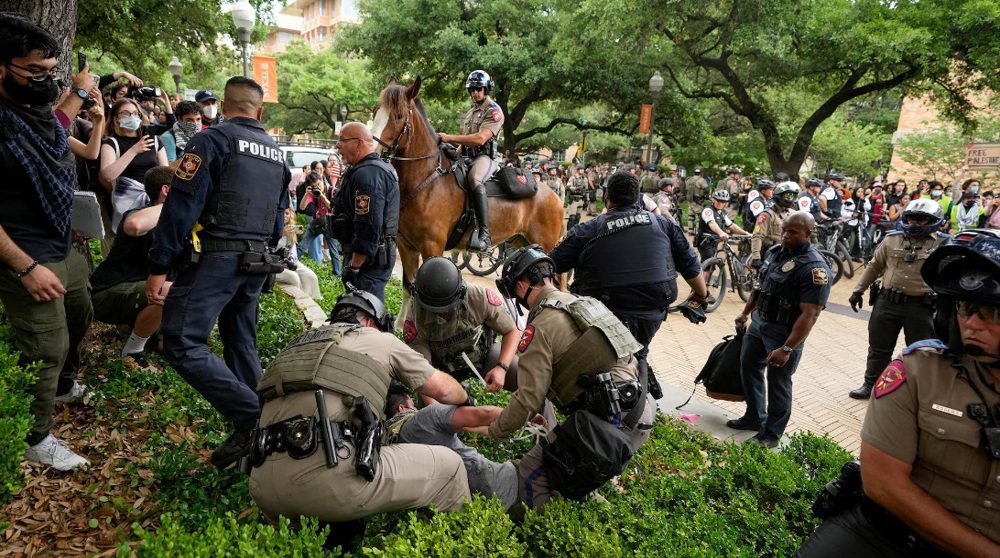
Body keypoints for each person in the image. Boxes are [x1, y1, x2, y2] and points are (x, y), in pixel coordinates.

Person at [795, 228, 1000, 558]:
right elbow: (883, 484)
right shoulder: (919, 371)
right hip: (885, 536)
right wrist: (859, 289)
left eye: (992, 312)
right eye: (965, 307)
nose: (973, 324)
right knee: (878, 350)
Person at [247, 290, 474, 551]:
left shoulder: (294, 346)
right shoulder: (379, 339)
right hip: (328, 481)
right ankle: (462, 545)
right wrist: (465, 398)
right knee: (450, 467)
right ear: (369, 322)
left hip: (263, 488)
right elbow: (444, 390)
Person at [147, 76, 291, 469]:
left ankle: (257, 421)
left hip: (217, 261)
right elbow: (279, 220)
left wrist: (160, 265)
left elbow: (181, 205)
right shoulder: (278, 154)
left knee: (179, 342)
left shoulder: (211, 140)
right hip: (257, 264)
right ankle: (258, 439)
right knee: (241, 344)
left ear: (224, 108)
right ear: (259, 113)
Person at [0, 14, 94, 470]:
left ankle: (63, 386)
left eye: (50, 71)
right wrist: (23, 267)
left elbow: (54, 126)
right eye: (34, 71)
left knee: (81, 311)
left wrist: (76, 91)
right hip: (20, 254)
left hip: (61, 244)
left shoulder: (31, 107)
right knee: (46, 346)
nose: (44, 81)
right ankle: (34, 438)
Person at [728, 212, 831, 448]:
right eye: (784, 230)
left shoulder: (815, 269)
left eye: (792, 232)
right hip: (759, 323)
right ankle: (755, 417)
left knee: (778, 382)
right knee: (749, 367)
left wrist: (787, 348)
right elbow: (761, 288)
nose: (785, 235)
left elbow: (810, 314)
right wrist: (746, 312)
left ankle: (771, 434)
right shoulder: (775, 252)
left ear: (808, 234)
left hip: (784, 333)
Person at [846, 199, 948, 399]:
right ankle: (871, 385)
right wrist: (858, 291)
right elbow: (875, 266)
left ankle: (916, 393)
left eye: (921, 220)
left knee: (922, 353)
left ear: (934, 221)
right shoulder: (892, 239)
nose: (914, 224)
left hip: (922, 308)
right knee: (878, 349)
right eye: (911, 219)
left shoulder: (943, 243)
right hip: (887, 303)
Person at [90, 166, 174, 364]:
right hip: (106, 292)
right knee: (171, 291)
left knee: (171, 350)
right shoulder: (139, 213)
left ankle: (145, 336)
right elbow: (134, 226)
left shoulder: (178, 222)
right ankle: (132, 353)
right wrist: (176, 204)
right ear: (166, 191)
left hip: (144, 295)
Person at [403, 257, 520, 392]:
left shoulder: (479, 297)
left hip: (484, 354)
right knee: (431, 409)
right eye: (433, 311)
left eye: (447, 309)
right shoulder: (414, 321)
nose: (441, 315)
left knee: (526, 379)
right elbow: (424, 376)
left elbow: (511, 331)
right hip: (442, 370)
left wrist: (502, 367)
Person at [384, 393, 518, 511]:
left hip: (482, 510)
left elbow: (435, 410)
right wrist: (524, 414)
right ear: (402, 408)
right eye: (413, 404)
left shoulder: (396, 447)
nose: (417, 408)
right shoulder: (424, 419)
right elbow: (484, 414)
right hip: (507, 483)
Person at [436, 70, 503, 251]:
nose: (476, 93)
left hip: (484, 157)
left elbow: (480, 138)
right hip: (467, 156)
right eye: (472, 89)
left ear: (486, 89)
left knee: (474, 178)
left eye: (479, 89)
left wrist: (449, 137)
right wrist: (452, 152)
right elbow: (465, 141)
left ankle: (484, 235)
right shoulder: (470, 113)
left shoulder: (494, 111)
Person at [332, 122, 399, 301]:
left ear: (359, 143)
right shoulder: (371, 169)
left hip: (367, 262)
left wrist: (354, 266)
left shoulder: (368, 175)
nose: (337, 145)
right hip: (370, 258)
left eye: (342, 140)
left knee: (364, 312)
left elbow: (368, 225)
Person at [99, 97, 169, 233]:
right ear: (116, 118)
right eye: (125, 113)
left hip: (154, 202)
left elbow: (165, 173)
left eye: (135, 113)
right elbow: (107, 175)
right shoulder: (111, 143)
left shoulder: (154, 141)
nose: (132, 116)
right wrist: (134, 150)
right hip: (126, 203)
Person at [695, 190, 750, 270]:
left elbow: (731, 225)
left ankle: (706, 281)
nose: (721, 204)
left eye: (724, 202)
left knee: (711, 266)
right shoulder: (708, 210)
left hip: (714, 242)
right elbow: (712, 223)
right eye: (719, 201)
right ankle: (702, 282)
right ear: (713, 200)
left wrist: (745, 233)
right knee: (708, 266)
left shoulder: (721, 213)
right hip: (705, 241)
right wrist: (721, 233)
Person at [275, 206, 321, 300]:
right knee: (294, 278)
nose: (284, 216)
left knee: (310, 276)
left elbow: (293, 251)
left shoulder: (291, 229)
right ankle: (300, 300)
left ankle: (311, 299)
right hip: (274, 262)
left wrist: (291, 259)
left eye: (287, 214)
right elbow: (269, 248)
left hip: (288, 261)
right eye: (282, 213)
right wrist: (281, 234)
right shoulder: (272, 229)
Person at [750, 182, 799, 263]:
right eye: (787, 195)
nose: (790, 198)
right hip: (772, 254)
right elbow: (757, 236)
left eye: (792, 195)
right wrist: (756, 258)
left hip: (787, 252)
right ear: (779, 196)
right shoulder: (767, 214)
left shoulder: (791, 213)